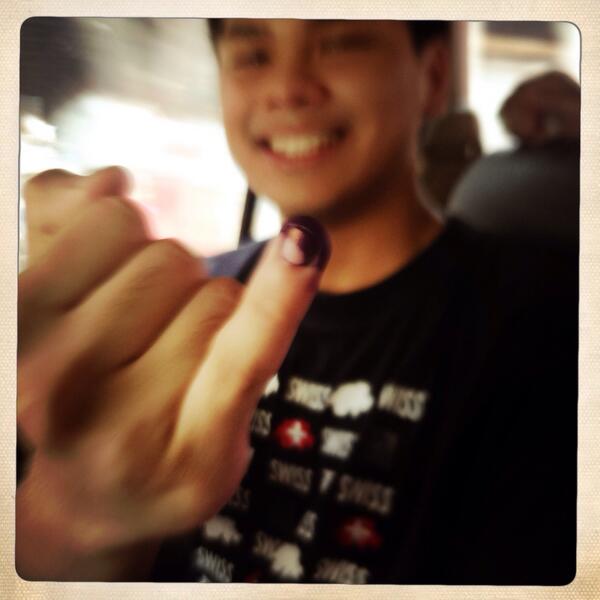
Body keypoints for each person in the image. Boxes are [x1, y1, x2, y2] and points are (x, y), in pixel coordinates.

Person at [16, 19, 577, 584]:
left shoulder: (545, 326)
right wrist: (74, 526)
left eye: (341, 41)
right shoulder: (185, 306)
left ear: (431, 77)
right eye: (253, 55)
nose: (286, 88)